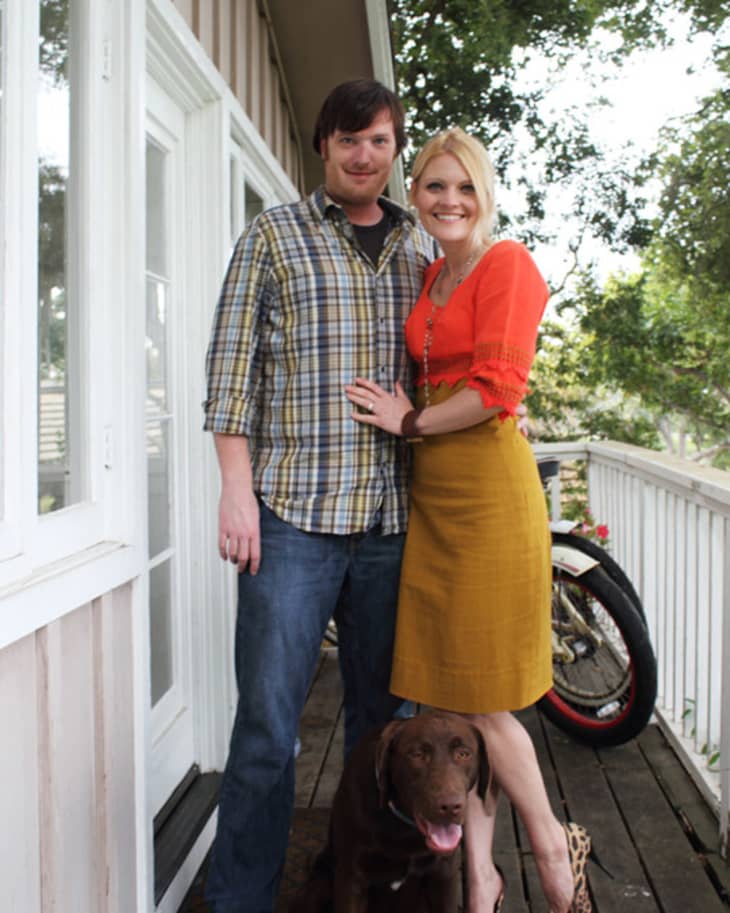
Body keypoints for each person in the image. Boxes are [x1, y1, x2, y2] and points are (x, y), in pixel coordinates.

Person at [202, 79, 435, 913]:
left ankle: (368, 880)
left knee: (388, 734)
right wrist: (237, 494)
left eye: (377, 140)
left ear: (393, 147)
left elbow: (451, 374)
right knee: (268, 728)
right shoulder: (273, 236)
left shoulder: (422, 250)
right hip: (292, 519)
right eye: (347, 140)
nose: (363, 155)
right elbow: (231, 376)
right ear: (322, 145)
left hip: (393, 525)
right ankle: (240, 898)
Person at [344, 127, 586, 913]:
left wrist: (409, 422)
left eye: (464, 187)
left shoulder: (505, 264)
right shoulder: (428, 278)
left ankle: (553, 847)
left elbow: (496, 391)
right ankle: (480, 880)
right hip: (434, 499)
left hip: (487, 494)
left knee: (488, 700)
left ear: (484, 196)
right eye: (434, 187)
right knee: (452, 700)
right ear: (413, 195)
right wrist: (414, 428)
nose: (449, 201)